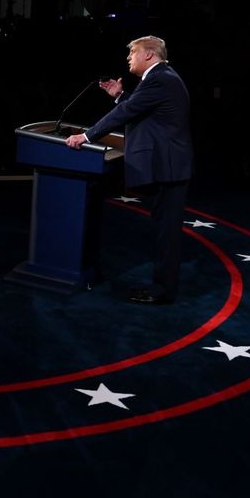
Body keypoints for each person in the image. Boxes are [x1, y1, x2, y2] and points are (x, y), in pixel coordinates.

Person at [65, 35, 193, 305]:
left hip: (167, 168)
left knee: (167, 233)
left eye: (132, 53)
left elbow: (128, 112)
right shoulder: (161, 78)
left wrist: (86, 136)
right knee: (164, 231)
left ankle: (163, 290)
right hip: (167, 166)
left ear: (149, 54)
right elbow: (142, 108)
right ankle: (162, 287)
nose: (128, 58)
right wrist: (120, 96)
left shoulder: (159, 78)